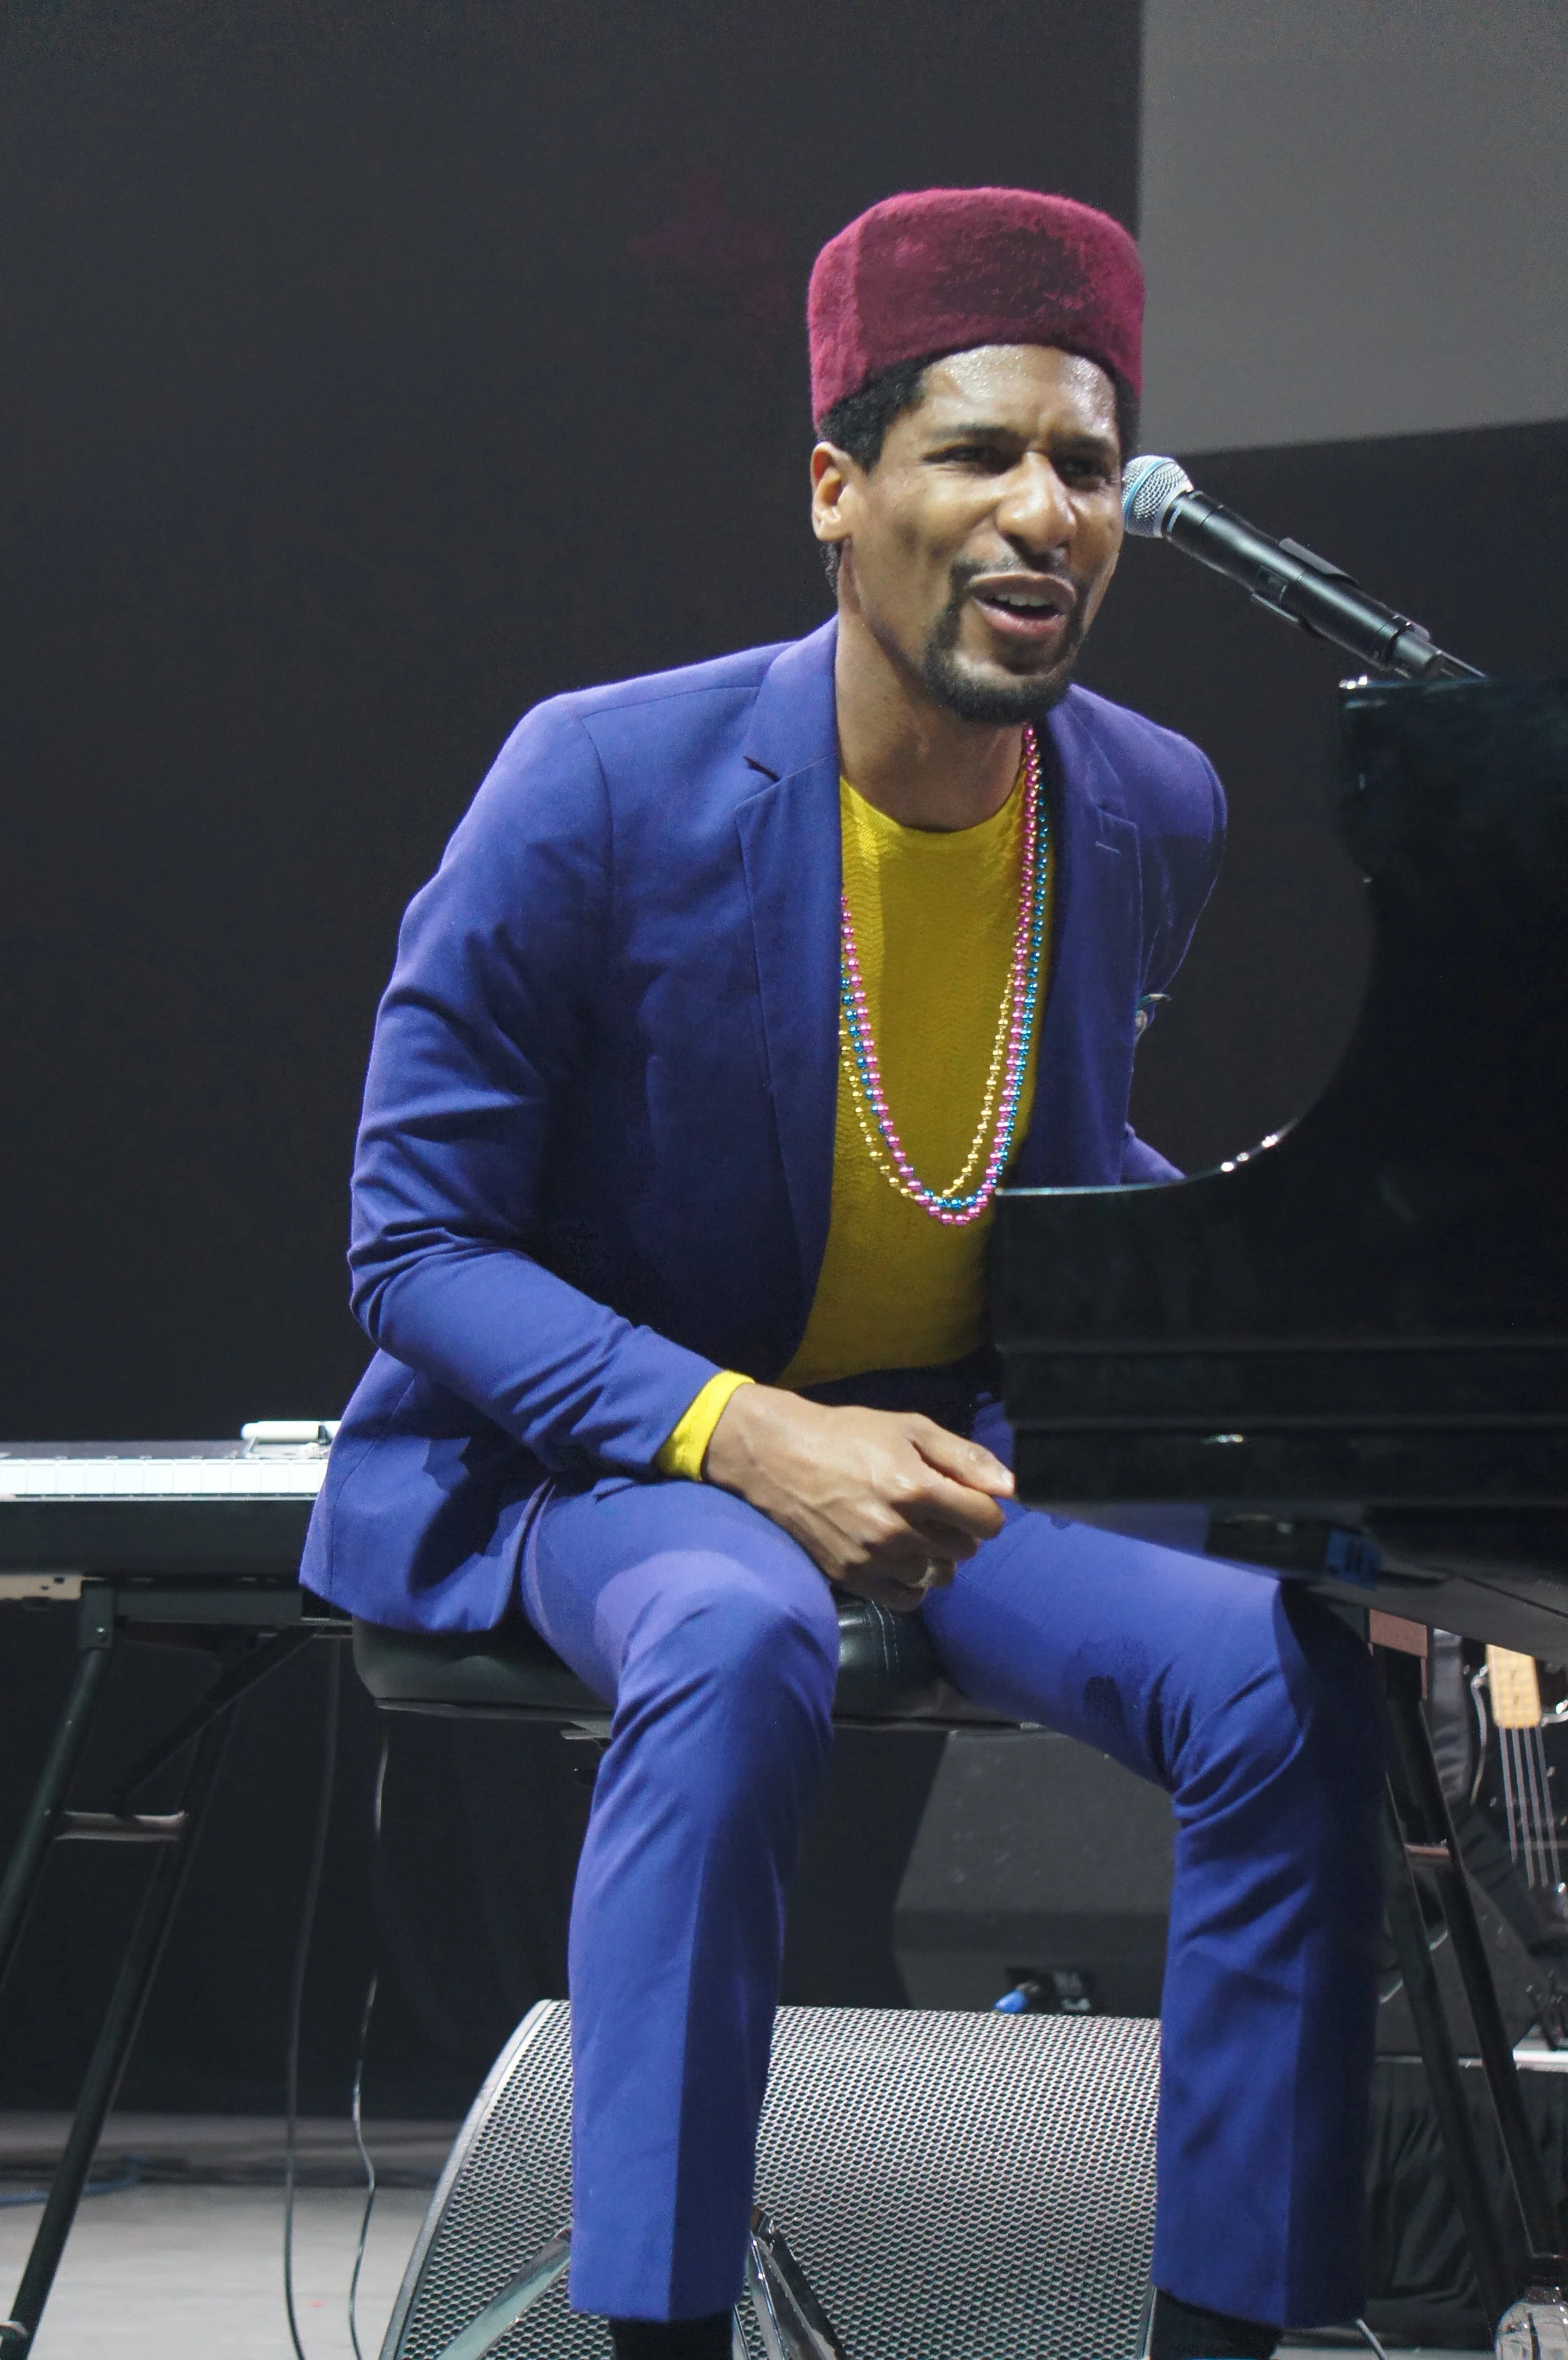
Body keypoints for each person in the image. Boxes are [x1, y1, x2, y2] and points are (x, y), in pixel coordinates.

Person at [304, 187, 1382, 2360]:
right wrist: (742, 1437)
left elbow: (1031, 1156)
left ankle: (1225, 2333)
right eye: (974, 452)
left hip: (951, 1447)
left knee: (1287, 1688)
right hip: (613, 1454)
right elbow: (409, 1243)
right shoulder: (599, 784)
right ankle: (659, 2334)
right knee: (731, 1626)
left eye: (1084, 465)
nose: (1039, 511)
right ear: (837, 489)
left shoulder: (1147, 805)